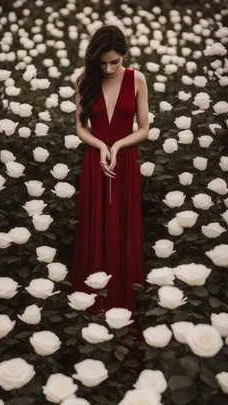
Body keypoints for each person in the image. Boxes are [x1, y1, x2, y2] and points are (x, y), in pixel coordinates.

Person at [70, 25, 149, 314]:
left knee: (123, 225)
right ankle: (91, 306)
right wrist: (102, 146)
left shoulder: (137, 79)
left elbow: (144, 129)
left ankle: (122, 303)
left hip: (125, 162)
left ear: (123, 56)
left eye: (114, 61)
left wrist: (117, 146)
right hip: (95, 162)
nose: (108, 68)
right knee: (95, 225)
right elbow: (80, 127)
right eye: (102, 62)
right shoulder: (85, 80)